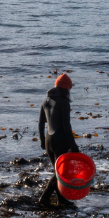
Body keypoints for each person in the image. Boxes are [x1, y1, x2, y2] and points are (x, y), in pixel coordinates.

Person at [38, 73, 80, 208]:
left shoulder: (45, 101)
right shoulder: (64, 103)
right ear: (66, 89)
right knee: (59, 173)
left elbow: (40, 124)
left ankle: (61, 199)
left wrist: (42, 140)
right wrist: (73, 145)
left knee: (58, 171)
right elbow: (66, 127)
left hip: (48, 140)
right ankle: (44, 198)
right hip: (59, 140)